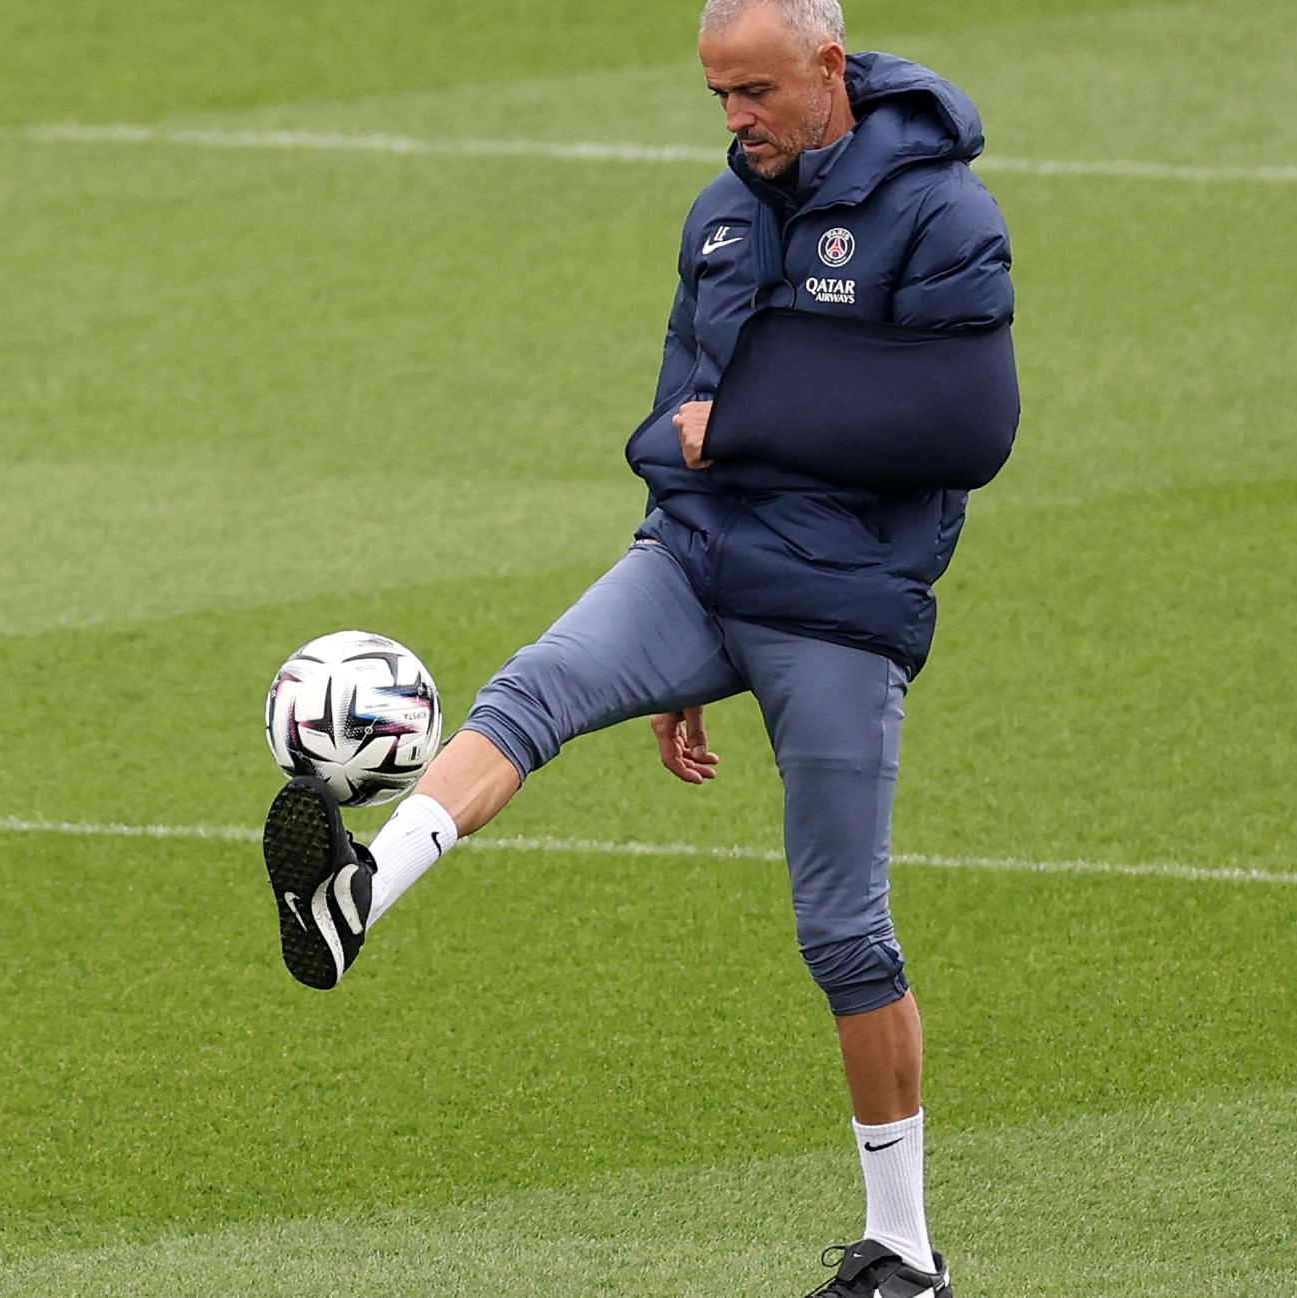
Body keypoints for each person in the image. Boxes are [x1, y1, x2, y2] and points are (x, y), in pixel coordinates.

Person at [262, 1, 1016, 1293]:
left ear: (830, 67)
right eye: (717, 93)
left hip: (837, 603)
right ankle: (356, 897)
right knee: (533, 687)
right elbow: (675, 421)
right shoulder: (720, 219)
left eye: (757, 92)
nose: (734, 121)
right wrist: (679, 554)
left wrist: (757, 424)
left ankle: (903, 1247)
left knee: (843, 929)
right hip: (695, 565)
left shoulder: (940, 215)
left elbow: (967, 425)